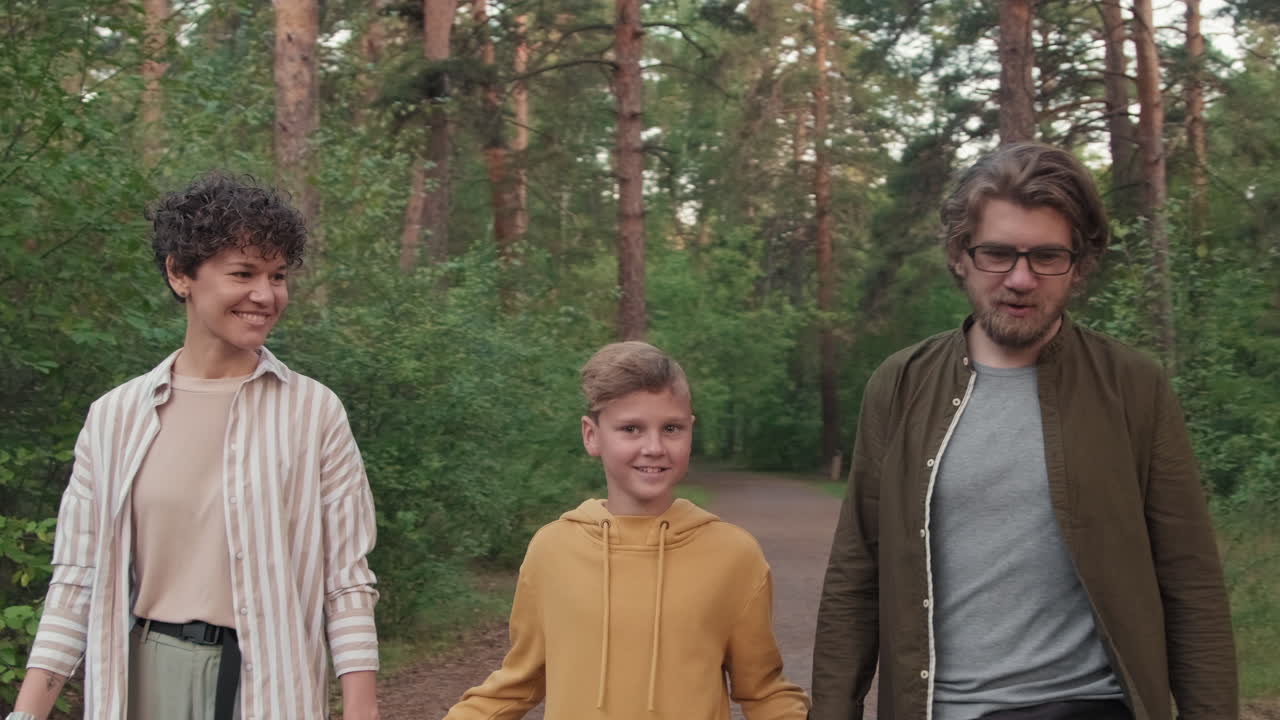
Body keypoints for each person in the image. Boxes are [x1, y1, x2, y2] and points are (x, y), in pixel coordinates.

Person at [810, 143, 1237, 720]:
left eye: (1046, 256)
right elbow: (855, 577)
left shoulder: (1134, 387)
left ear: (1079, 264)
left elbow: (1190, 581)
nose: (1019, 278)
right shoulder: (901, 384)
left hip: (1089, 706)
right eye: (997, 253)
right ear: (961, 255)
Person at [9, 173, 381, 720]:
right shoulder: (114, 418)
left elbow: (347, 581)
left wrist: (361, 710)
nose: (266, 294)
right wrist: (27, 712)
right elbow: (76, 579)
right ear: (181, 274)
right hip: (142, 682)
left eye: (278, 276)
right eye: (243, 273)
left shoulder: (314, 412)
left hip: (272, 686)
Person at [443, 341, 809, 720]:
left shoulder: (734, 555)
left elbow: (763, 691)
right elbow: (520, 681)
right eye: (631, 429)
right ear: (592, 435)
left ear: (690, 431)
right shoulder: (551, 550)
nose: (653, 447)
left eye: (671, 428)